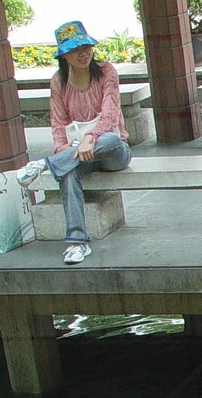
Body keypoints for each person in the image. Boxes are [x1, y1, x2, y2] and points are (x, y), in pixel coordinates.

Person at [17, 20, 131, 265]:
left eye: (86, 47)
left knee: (109, 139)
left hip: (111, 151)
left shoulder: (106, 71)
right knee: (68, 174)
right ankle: (77, 242)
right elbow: (58, 123)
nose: (83, 53)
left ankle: (44, 165)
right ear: (64, 56)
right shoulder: (58, 82)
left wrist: (90, 138)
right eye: (75, 49)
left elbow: (111, 115)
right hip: (79, 154)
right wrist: (63, 149)